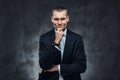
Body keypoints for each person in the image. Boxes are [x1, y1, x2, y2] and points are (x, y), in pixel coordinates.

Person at [38, 6, 87, 80]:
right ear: (52, 19)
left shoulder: (77, 39)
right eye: (56, 19)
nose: (59, 22)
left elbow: (81, 66)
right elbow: (44, 65)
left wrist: (58, 67)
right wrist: (56, 42)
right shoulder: (44, 38)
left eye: (63, 19)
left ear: (67, 18)